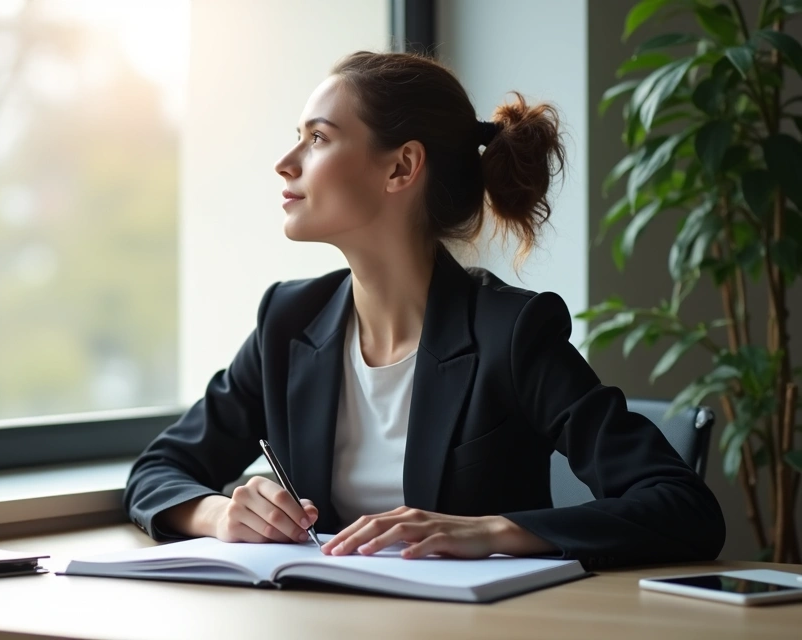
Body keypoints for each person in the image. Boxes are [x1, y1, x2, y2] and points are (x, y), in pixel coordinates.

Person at [124, 51, 725, 569]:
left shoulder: (509, 334)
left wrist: (494, 531)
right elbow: (158, 469)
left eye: (318, 138)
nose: (286, 162)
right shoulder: (287, 321)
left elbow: (682, 505)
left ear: (402, 167)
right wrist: (221, 513)